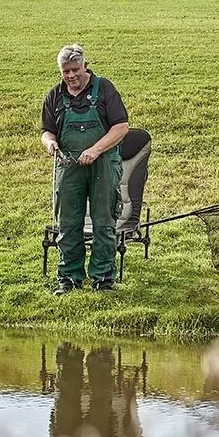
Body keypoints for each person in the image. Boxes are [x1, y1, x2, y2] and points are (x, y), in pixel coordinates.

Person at [40, 44, 129, 294]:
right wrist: (50, 143)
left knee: (103, 221)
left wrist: (96, 149)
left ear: (84, 66)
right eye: (65, 71)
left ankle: (103, 278)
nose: (71, 76)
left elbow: (121, 127)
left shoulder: (105, 89)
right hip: (68, 167)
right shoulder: (54, 96)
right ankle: (68, 278)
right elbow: (46, 131)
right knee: (68, 223)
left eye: (75, 70)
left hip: (103, 164)